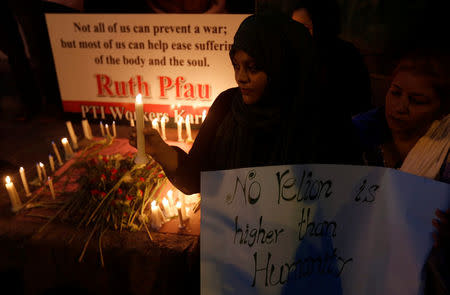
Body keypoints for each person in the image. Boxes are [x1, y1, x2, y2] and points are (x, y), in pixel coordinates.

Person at [130, 12, 360, 195]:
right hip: (232, 244)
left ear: (281, 68)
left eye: (253, 68)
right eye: (236, 65)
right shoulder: (227, 106)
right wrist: (159, 149)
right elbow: (194, 179)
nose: (241, 77)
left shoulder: (319, 117)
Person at [352, 50, 450, 294]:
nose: (400, 107)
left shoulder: (445, 154)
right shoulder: (356, 136)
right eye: (395, 93)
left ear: (442, 109)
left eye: (417, 100)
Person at [289, 0, 373, 117]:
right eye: (293, 29)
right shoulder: (294, 56)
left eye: (304, 29)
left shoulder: (345, 57)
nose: (296, 36)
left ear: (322, 27)